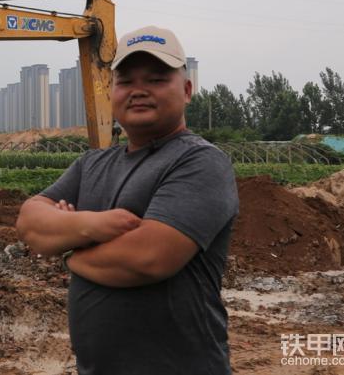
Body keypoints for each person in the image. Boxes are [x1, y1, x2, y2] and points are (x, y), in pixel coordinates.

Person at [15, 25, 239, 374]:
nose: (138, 91)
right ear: (112, 91)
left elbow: (148, 258)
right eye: (125, 81)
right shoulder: (92, 163)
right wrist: (94, 224)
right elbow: (29, 223)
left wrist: (69, 250)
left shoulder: (200, 162)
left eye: (156, 79)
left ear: (187, 89)